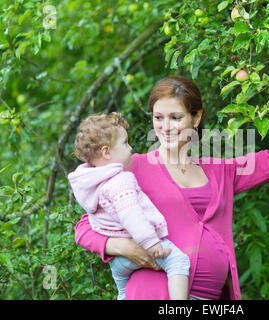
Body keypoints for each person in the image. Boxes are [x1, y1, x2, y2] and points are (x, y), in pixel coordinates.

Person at [74, 72, 269, 300]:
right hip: (152, 291)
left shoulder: (221, 171)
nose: (165, 126)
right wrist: (126, 248)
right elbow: (85, 227)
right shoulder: (132, 168)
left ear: (196, 118)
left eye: (176, 118)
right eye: (158, 117)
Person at [68, 112, 190, 300]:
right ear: (106, 152)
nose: (130, 147)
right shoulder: (120, 180)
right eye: (125, 143)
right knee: (178, 261)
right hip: (139, 246)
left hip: (117, 263)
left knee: (123, 293)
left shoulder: (92, 182)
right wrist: (152, 243)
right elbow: (131, 215)